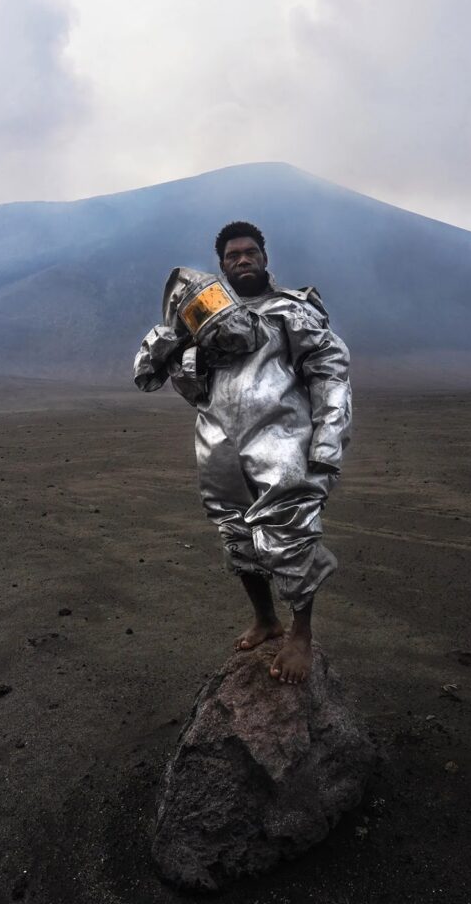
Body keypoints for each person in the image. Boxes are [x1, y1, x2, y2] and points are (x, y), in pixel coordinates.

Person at [133, 221, 351, 684]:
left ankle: (301, 635)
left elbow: (330, 375)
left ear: (265, 258)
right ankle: (265, 618)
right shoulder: (199, 315)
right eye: (233, 256)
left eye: (250, 252)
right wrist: (173, 335)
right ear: (221, 266)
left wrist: (328, 444)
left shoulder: (292, 311)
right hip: (218, 442)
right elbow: (149, 371)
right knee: (235, 533)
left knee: (289, 534)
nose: (243, 260)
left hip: (282, 441)